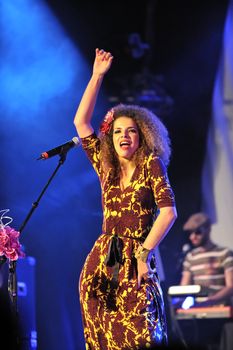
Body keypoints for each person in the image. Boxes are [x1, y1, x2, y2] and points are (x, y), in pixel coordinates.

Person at [73, 48, 177, 350]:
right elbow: (81, 123)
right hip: (103, 259)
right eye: (118, 131)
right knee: (100, 334)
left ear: (142, 136)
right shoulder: (106, 166)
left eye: (131, 131)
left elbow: (169, 213)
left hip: (137, 257)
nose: (124, 136)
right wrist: (96, 77)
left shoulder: (151, 164)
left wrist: (144, 256)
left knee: (140, 334)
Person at [180, 212, 233, 306]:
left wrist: (209, 301)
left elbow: (231, 287)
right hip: (198, 310)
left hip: (221, 310)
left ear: (208, 229)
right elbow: (184, 287)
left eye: (197, 232)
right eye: (190, 233)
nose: (193, 237)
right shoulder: (190, 257)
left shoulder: (225, 253)